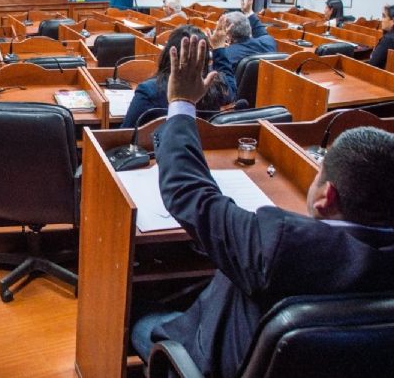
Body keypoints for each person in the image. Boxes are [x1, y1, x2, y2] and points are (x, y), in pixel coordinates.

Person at [129, 34, 394, 378]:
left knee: (139, 311)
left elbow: (190, 193)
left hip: (215, 359)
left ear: (326, 197)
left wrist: (180, 103)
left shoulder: (279, 243)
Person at [120, 25, 236, 128]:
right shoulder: (215, 83)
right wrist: (219, 49)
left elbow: (125, 132)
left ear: (168, 53)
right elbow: (232, 87)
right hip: (201, 145)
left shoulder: (149, 90)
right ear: (205, 57)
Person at [214, 0, 277, 69]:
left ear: (228, 36)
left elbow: (214, 72)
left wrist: (217, 48)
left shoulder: (226, 55)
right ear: (249, 27)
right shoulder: (269, 43)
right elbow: (262, 33)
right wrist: (248, 12)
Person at [369, 4, 394, 69]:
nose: (381, 19)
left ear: (393, 21)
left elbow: (372, 64)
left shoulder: (388, 40)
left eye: (384, 16)